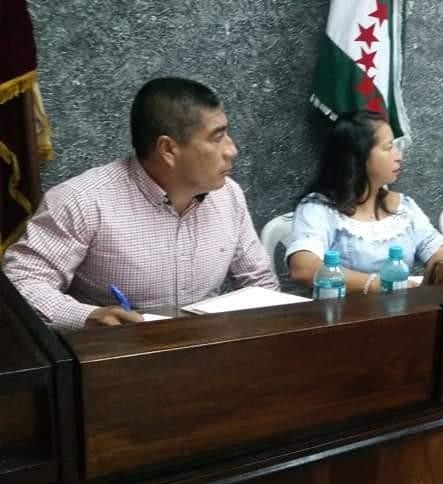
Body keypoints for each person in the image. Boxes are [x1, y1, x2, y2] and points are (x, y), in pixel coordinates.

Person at [1, 77, 278, 330]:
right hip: (115, 354)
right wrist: (87, 316)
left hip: (208, 348)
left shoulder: (228, 195)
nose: (232, 150)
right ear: (168, 149)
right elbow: (22, 283)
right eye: (217, 137)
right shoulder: (82, 200)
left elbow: (260, 284)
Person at [286, 110, 443, 293]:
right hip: (344, 308)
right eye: (388, 148)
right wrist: (378, 285)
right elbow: (303, 269)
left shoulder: (404, 206)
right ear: (359, 156)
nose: (399, 156)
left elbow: (436, 249)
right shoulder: (318, 208)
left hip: (400, 306)